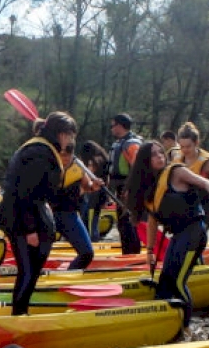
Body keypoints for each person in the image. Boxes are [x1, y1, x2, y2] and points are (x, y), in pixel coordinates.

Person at [125, 140, 209, 334]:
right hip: (179, 235)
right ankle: (164, 324)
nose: (160, 157)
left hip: (194, 232)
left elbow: (208, 183)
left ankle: (187, 328)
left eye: (161, 153)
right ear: (145, 161)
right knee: (164, 284)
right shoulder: (148, 187)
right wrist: (149, 251)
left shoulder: (176, 172)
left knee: (178, 282)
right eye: (154, 154)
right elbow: (153, 221)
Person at [0, 111, 73, 316]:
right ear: (61, 134)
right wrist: (30, 229)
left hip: (28, 215)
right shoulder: (39, 152)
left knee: (31, 271)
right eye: (70, 135)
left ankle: (22, 312)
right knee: (27, 272)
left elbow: (45, 191)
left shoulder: (42, 149)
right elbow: (26, 192)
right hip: (21, 219)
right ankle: (18, 315)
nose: (70, 141)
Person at [54, 143, 97, 271]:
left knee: (87, 253)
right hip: (47, 215)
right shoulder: (48, 164)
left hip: (69, 214)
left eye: (69, 154)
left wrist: (93, 185)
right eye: (62, 155)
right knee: (37, 254)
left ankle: (69, 275)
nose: (65, 158)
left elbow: (87, 185)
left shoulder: (78, 166)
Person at [106, 113, 143, 255]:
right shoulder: (119, 143)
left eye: (113, 125)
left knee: (128, 223)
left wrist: (130, 188)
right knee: (122, 224)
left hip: (128, 189)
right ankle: (127, 252)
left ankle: (132, 253)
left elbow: (137, 168)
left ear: (120, 126)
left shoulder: (131, 144)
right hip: (120, 188)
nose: (111, 129)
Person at [79, 141, 111, 241]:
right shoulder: (104, 159)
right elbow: (107, 178)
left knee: (86, 216)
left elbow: (87, 174)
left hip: (92, 190)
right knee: (95, 218)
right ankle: (94, 237)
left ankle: (88, 239)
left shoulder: (91, 161)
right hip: (102, 190)